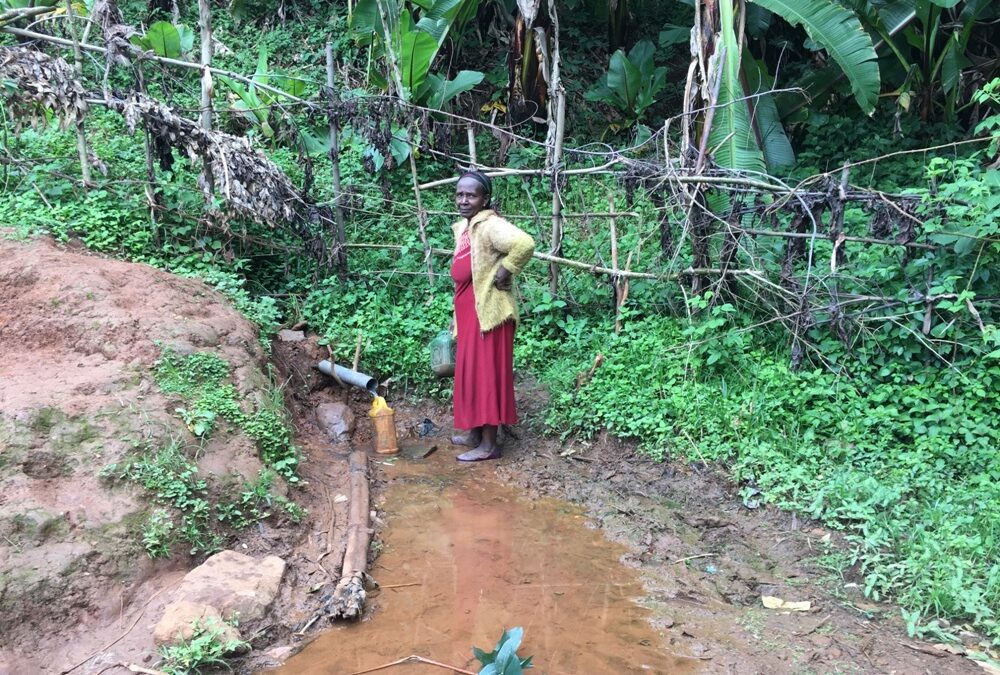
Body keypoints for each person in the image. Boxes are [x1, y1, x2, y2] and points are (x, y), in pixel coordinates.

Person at [450, 171, 535, 461]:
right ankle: (474, 433)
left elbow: (524, 243)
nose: (464, 200)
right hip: (469, 312)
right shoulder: (466, 226)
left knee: (486, 376)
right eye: (460, 194)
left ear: (485, 199)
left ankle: (489, 445)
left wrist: (506, 269)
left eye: (471, 195)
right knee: (471, 373)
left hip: (489, 314)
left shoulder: (490, 226)